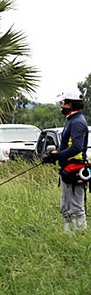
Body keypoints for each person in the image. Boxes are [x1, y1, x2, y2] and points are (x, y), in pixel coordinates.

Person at [43, 90, 88, 232]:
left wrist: (58, 156)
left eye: (63, 103)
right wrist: (56, 154)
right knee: (66, 208)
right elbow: (68, 146)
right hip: (67, 168)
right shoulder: (72, 121)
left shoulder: (78, 122)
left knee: (76, 208)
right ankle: (67, 236)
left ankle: (80, 237)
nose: (61, 106)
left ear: (70, 104)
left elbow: (76, 148)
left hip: (75, 169)